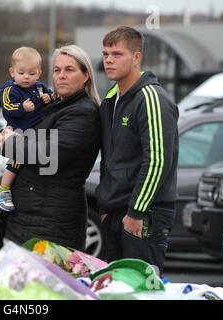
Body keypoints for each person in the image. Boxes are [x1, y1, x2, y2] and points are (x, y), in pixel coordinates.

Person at [0, 44, 101, 250]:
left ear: (86, 75)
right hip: (31, 216)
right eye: (57, 70)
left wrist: (11, 142)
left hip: (50, 221)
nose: (61, 75)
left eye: (69, 70)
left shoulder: (82, 113)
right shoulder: (54, 105)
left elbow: (47, 153)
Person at [96, 26, 179, 275]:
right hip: (115, 212)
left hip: (143, 214)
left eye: (117, 54)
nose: (109, 59)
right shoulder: (112, 98)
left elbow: (157, 161)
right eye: (106, 53)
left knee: (141, 290)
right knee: (117, 289)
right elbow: (110, 158)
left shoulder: (151, 97)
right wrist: (105, 207)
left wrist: (136, 211)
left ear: (136, 58)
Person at [0, 46, 53, 212]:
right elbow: (6, 107)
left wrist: (48, 98)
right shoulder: (10, 89)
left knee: (32, 160)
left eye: (32, 73)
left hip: (36, 131)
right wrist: (22, 108)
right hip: (18, 129)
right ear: (12, 72)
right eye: (21, 73)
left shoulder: (40, 87)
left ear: (39, 73)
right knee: (16, 160)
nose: (26, 77)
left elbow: (52, 98)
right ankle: (3, 189)